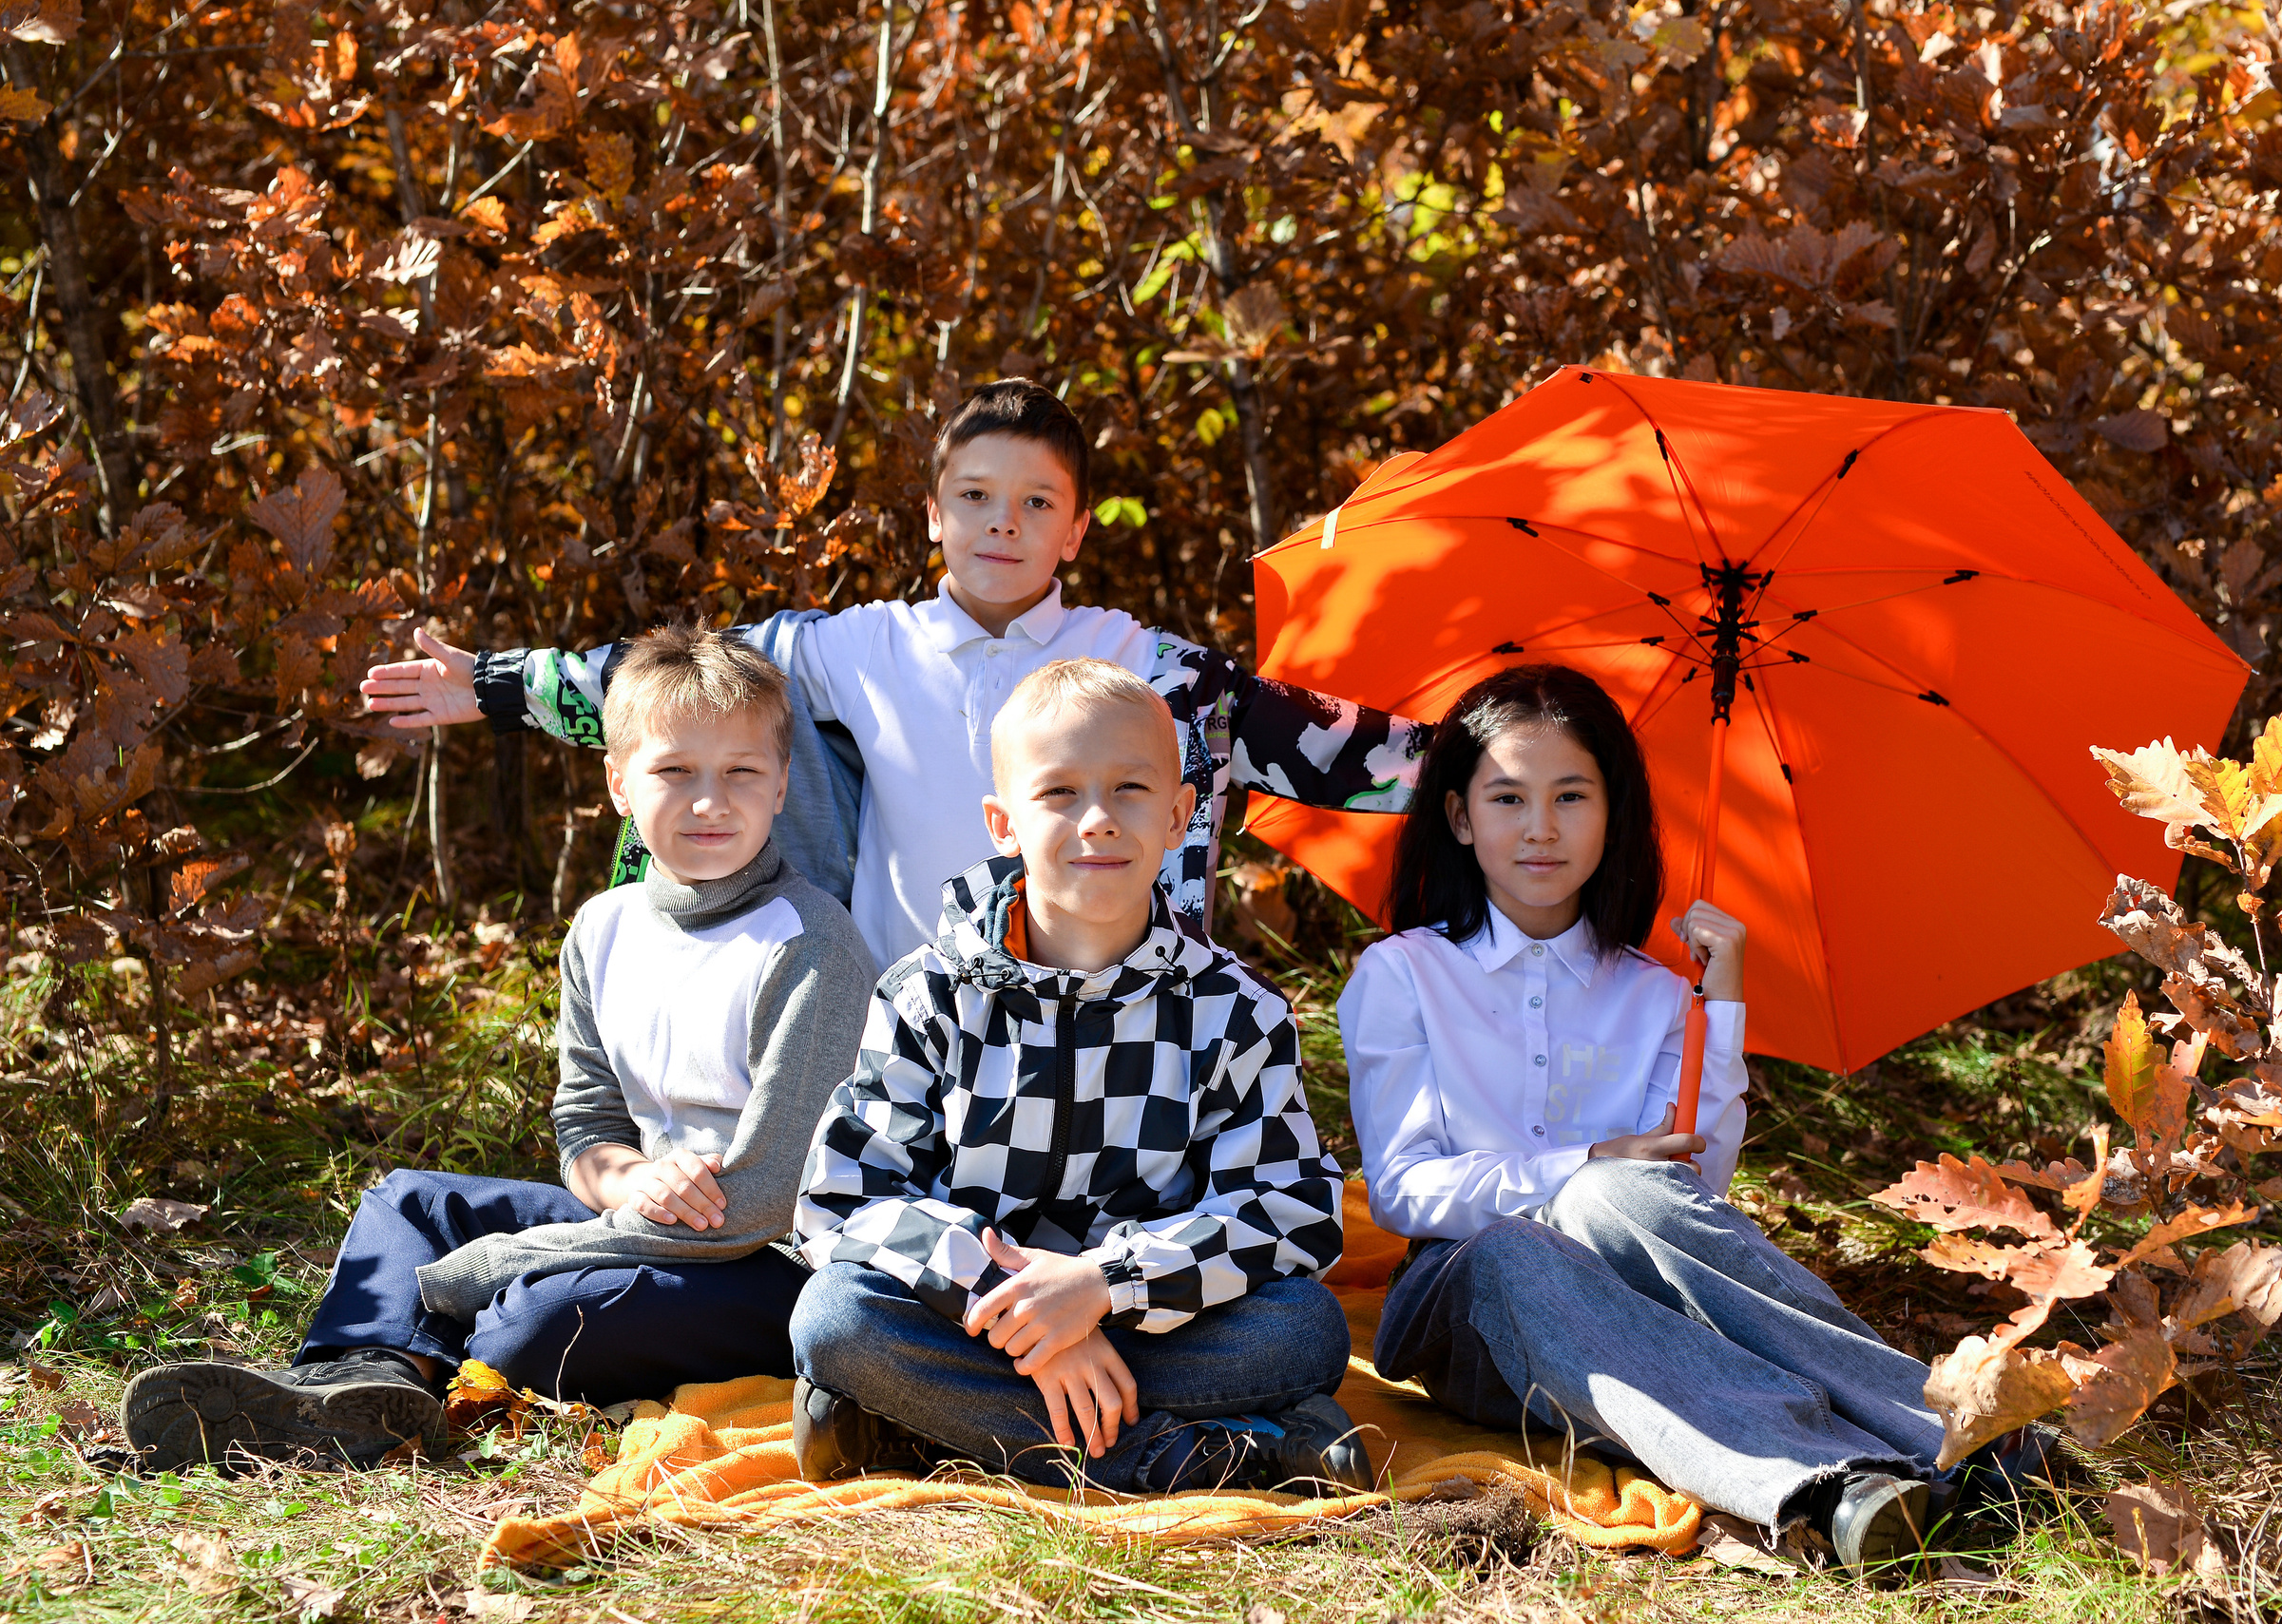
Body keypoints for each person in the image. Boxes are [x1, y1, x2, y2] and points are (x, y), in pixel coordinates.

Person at [122, 629, 878, 1471]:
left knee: (531, 1317)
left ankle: (414, 1369)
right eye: (675, 772)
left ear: (780, 787)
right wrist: (628, 1175)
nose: (711, 802)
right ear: (620, 782)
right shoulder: (604, 928)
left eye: (742, 772)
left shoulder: (812, 945)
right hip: (645, 1218)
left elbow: (768, 1199)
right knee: (409, 1202)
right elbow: (585, 1122)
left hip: (774, 1263)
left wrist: (497, 1260)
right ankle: (366, 1383)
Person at [355, 378, 1429, 965]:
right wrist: (493, 686)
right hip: (895, 1022)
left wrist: (1530, 761)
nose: (1001, 522)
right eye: (973, 496)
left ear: (1074, 530)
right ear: (934, 512)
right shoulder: (860, 645)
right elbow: (676, 690)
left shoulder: (1142, 662)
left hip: (1095, 1018)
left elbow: (1333, 747)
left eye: (1035, 502)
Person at [1339, 663, 1955, 1573]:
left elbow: (1692, 1200)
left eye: (1571, 796)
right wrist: (1585, 1164)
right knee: (1546, 1225)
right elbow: (1402, 1189)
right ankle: (1831, 1472)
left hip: (1640, 1303)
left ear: (1612, 812)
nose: (1540, 828)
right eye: (1508, 797)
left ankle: (1944, 1434)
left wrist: (1725, 1002)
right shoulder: (1403, 976)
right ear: (1462, 818)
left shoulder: (1666, 995)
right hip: (1463, 1308)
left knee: (1617, 1197)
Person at [787, 658, 1370, 1495]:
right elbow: (842, 1200)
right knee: (838, 1318)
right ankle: (1196, 1456)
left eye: (1129, 789)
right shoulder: (928, 993)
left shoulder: (1234, 1010)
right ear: (1003, 821)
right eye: (1059, 792)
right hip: (975, 1318)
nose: (1097, 819)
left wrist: (1103, 1286)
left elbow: (1292, 1211)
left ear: (1178, 816)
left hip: (1153, 1320)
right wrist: (1031, 1315)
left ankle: (927, 1428)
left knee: (1307, 1329)